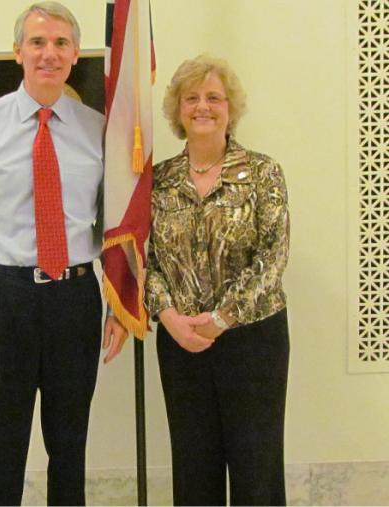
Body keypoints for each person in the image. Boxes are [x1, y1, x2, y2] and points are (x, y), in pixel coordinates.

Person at [0, 3, 126, 505]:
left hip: (73, 300)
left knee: (70, 446)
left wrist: (120, 303)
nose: (48, 54)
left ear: (75, 54)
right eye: (37, 42)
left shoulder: (99, 129)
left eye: (61, 43)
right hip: (1, 299)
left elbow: (114, 227)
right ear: (18, 52)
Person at [146, 54, 290, 506]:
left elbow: (273, 257)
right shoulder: (158, 181)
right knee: (194, 469)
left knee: (256, 468)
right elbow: (145, 261)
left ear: (231, 108)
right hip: (181, 342)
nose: (202, 107)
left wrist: (222, 319)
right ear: (178, 110)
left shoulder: (263, 173)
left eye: (214, 97)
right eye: (191, 98)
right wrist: (169, 317)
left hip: (253, 341)